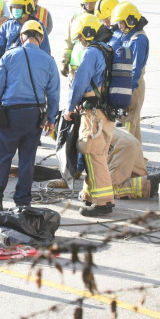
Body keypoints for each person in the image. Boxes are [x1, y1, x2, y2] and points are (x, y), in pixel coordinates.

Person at [0, 20, 60, 212]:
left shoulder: (9, 56)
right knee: (27, 159)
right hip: (34, 116)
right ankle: (23, 202)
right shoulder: (49, 61)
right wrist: (51, 120)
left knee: (3, 157)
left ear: (22, 37)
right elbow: (53, 94)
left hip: (10, 114)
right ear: (41, 38)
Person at [63, 14, 115, 216]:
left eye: (81, 38)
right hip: (103, 111)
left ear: (88, 33)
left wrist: (70, 107)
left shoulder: (92, 53)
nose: (81, 42)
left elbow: (80, 82)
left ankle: (103, 203)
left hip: (94, 113)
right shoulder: (106, 49)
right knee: (94, 152)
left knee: (94, 153)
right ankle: (90, 194)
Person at [109, 2, 149, 143]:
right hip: (123, 83)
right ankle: (137, 163)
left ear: (130, 21)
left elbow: (135, 70)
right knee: (134, 127)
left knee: (125, 130)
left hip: (131, 87)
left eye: (121, 22)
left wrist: (125, 94)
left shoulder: (138, 40)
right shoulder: (125, 34)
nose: (119, 26)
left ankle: (122, 161)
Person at [0, 0, 51, 74]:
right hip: (11, 70)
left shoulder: (38, 26)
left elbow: (45, 51)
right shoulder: (6, 26)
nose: (15, 10)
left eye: (18, 7)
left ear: (28, 8)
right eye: (13, 7)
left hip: (32, 70)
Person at [61, 0, 102, 78]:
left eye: (92, 2)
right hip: (76, 63)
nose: (89, 5)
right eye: (87, 2)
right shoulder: (75, 17)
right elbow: (68, 42)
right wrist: (65, 60)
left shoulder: (102, 17)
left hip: (96, 65)